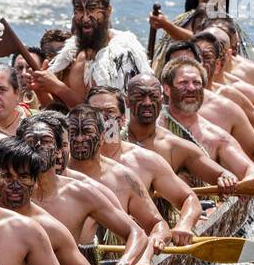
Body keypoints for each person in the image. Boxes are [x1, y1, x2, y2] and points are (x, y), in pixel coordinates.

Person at [19, 113, 147, 265]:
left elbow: (137, 233)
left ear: (59, 150)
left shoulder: (81, 193)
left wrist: (124, 264)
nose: (38, 146)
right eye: (30, 141)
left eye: (46, 140)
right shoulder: (7, 195)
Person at [0, 136, 108, 265]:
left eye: (23, 177)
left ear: (36, 182)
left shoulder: (49, 228)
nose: (14, 185)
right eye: (7, 177)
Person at [85, 86, 201, 245]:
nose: (101, 119)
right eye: (94, 112)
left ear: (122, 120)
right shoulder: (67, 163)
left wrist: (184, 225)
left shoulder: (145, 161)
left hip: (134, 253)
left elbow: (188, 197)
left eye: (109, 112)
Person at [65, 103, 168, 260]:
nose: (79, 139)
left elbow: (156, 224)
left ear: (101, 136)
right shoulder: (54, 174)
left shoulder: (124, 177)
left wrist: (156, 240)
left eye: (86, 132)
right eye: (73, 133)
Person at [31, 0, 152, 108]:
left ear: (108, 11)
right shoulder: (69, 57)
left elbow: (109, 115)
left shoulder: (124, 55)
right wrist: (41, 90)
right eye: (79, 10)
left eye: (92, 9)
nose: (85, 18)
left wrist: (59, 88)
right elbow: (60, 112)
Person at [122, 73, 240, 194]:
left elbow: (221, 174)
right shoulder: (113, 143)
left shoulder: (175, 147)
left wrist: (227, 179)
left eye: (153, 96)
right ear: (127, 101)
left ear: (161, 101)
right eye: (139, 96)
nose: (147, 102)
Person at [160, 59, 254, 181]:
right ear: (167, 89)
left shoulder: (216, 137)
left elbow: (252, 171)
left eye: (197, 83)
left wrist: (240, 185)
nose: (191, 88)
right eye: (183, 83)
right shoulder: (154, 126)